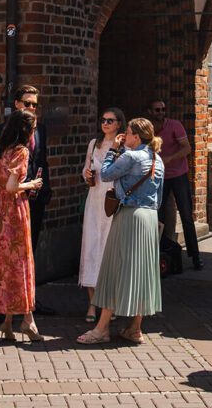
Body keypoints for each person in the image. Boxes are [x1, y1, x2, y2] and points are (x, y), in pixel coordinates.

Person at [77, 117, 164, 345]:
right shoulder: (157, 159)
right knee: (142, 272)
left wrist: (113, 150)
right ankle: (135, 329)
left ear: (136, 136)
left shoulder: (130, 156)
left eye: (128, 132)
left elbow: (105, 174)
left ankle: (101, 329)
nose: (125, 135)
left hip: (129, 216)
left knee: (115, 270)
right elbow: (160, 196)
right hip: (149, 218)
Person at [0, 85, 53, 314]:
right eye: (27, 103)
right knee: (6, 251)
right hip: (12, 199)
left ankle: (28, 301)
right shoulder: (4, 130)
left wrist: (45, 187)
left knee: (29, 251)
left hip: (34, 198)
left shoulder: (40, 130)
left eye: (35, 104)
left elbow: (42, 160)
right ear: (17, 104)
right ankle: (3, 305)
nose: (31, 108)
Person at [0, 110, 44, 342]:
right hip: (16, 210)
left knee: (4, 263)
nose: (34, 132)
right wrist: (32, 183)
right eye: (33, 128)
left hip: (0, 211)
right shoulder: (21, 151)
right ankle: (28, 320)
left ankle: (8, 322)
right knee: (21, 262)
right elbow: (12, 187)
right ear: (25, 130)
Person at [78, 107, 126, 322]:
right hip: (94, 201)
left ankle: (109, 304)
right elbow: (86, 168)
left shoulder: (124, 146)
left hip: (111, 202)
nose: (105, 123)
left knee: (109, 251)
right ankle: (91, 304)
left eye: (110, 120)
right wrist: (86, 174)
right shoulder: (93, 144)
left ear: (119, 124)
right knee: (91, 248)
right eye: (103, 120)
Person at [149, 98, 203, 270]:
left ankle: (195, 256)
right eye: (157, 110)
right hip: (159, 177)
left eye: (163, 109)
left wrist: (170, 158)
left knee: (186, 215)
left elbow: (187, 148)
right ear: (150, 112)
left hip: (178, 174)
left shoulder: (174, 125)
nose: (161, 112)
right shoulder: (148, 129)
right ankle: (158, 252)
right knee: (157, 215)